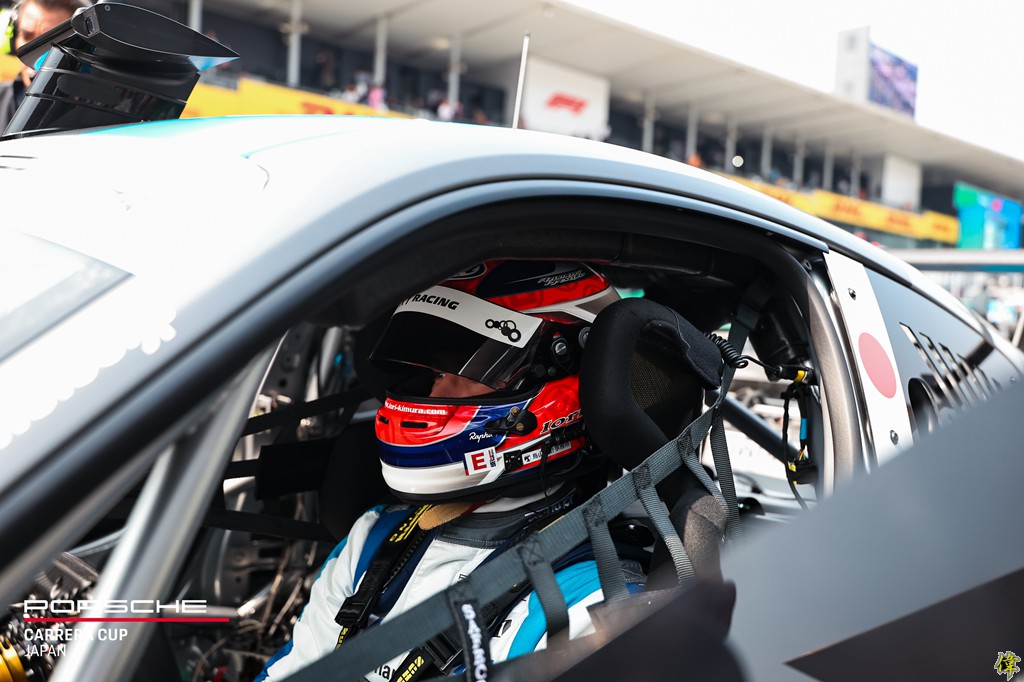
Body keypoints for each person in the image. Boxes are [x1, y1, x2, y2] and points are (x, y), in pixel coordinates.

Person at [257, 261, 637, 682]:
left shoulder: (589, 603)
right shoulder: (375, 537)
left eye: (471, 371)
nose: (437, 393)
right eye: (438, 372)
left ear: (573, 378)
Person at [0, 0, 90, 132]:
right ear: (14, 38)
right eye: (27, 36)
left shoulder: (101, 116)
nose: (34, 52)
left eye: (49, 42)